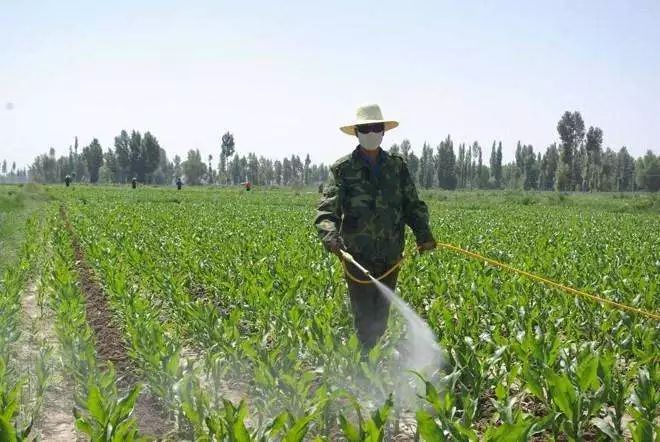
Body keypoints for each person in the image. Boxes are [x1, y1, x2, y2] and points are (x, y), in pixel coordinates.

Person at [315, 104, 436, 350]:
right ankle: (364, 365)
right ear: (357, 132)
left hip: (391, 255)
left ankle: (373, 360)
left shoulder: (397, 167)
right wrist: (330, 236)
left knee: (381, 315)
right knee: (364, 317)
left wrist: (424, 234)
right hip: (357, 256)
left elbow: (412, 204)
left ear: (383, 132)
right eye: (365, 128)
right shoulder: (343, 169)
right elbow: (327, 209)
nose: (371, 132)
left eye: (376, 128)